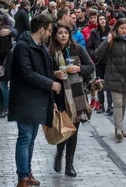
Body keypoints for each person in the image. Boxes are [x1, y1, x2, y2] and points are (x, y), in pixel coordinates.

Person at [9, 14, 61, 187]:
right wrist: (51, 84)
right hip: (24, 100)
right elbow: (27, 73)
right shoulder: (22, 47)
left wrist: (53, 79)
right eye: (49, 30)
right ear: (41, 29)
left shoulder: (41, 47)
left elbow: (42, 71)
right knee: (25, 137)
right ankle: (22, 177)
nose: (50, 33)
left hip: (38, 100)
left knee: (30, 139)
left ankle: (27, 172)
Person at [49, 22, 94, 178]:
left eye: (66, 33)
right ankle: (59, 154)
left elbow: (91, 66)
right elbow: (45, 72)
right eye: (60, 33)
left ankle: (69, 164)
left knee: (73, 131)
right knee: (63, 129)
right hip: (59, 94)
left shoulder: (77, 49)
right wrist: (55, 74)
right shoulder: (50, 52)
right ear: (55, 35)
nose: (63, 35)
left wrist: (79, 69)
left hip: (76, 95)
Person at [95, 18, 126, 141]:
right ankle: (118, 129)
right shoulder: (112, 41)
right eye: (121, 28)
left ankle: (120, 128)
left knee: (123, 104)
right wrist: (107, 41)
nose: (124, 31)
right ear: (117, 28)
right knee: (117, 103)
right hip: (113, 76)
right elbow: (98, 54)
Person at [87, 13, 113, 114]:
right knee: (99, 84)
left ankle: (110, 105)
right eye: (100, 19)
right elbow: (89, 47)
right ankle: (101, 104)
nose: (102, 21)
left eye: (103, 19)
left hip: (109, 61)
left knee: (109, 84)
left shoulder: (111, 31)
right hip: (99, 62)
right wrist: (94, 54)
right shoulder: (94, 32)